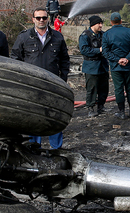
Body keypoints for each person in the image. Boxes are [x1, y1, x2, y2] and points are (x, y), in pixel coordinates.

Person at [11, 8, 70, 149]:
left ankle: (56, 149)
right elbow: (15, 59)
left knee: (54, 116)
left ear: (48, 19)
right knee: (32, 117)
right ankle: (33, 147)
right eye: (38, 18)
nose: (41, 20)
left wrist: (63, 79)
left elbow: (64, 60)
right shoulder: (24, 37)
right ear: (33, 19)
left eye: (44, 17)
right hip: (31, 85)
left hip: (53, 84)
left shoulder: (57, 37)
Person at [102, 12, 130, 119]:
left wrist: (118, 60)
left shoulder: (107, 34)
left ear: (111, 22)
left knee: (118, 89)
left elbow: (105, 51)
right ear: (121, 21)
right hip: (129, 66)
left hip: (116, 67)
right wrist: (128, 58)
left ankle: (122, 112)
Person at [79, 15, 109, 117]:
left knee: (104, 88)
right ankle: (90, 108)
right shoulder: (85, 36)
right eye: (99, 23)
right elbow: (84, 50)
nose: (101, 25)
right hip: (91, 66)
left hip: (103, 65)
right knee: (91, 89)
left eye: (101, 23)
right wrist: (99, 50)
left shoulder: (103, 35)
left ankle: (101, 106)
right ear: (93, 24)